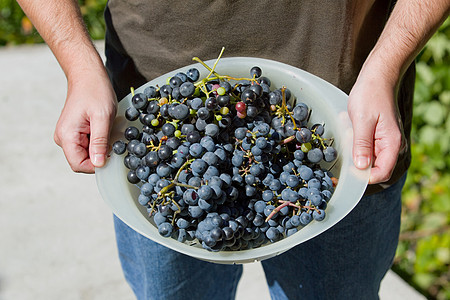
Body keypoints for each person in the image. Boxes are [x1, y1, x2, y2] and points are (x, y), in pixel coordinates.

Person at [17, 0, 449, 299]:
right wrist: (78, 62)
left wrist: (387, 65)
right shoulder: (171, 178)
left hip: (351, 123)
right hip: (152, 122)